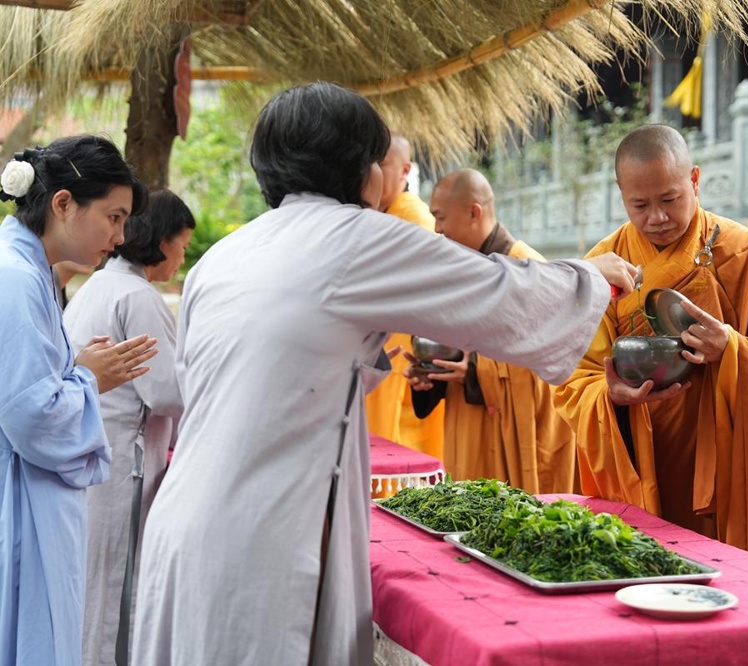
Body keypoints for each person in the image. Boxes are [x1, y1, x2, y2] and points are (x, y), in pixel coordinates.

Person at [131, 82, 637, 666]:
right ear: (359, 169)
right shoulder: (354, 238)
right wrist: (590, 277)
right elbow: (495, 289)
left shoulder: (226, 254)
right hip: (260, 536)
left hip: (182, 522)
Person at [553, 124, 748, 575]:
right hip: (645, 460)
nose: (657, 217)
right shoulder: (605, 264)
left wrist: (733, 349)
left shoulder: (742, 253)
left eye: (670, 199)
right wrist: (609, 395)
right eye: (640, 205)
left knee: (737, 579)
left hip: (733, 463)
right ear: (621, 194)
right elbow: (572, 378)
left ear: (695, 180)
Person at [0, 135, 157, 666]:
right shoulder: (15, 277)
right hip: (19, 500)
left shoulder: (31, 271)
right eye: (113, 217)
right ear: (63, 203)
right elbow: (30, 415)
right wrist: (90, 379)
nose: (120, 236)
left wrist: (76, 370)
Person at [63, 189, 194, 666]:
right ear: (160, 240)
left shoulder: (99, 284)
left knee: (93, 583)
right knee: (115, 587)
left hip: (92, 454)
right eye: (182, 245)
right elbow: (167, 394)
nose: (182, 258)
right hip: (123, 463)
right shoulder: (138, 297)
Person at [405, 168, 578, 494]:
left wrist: (474, 370)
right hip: (468, 430)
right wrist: (432, 374)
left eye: (440, 218)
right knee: (467, 515)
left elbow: (556, 366)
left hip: (520, 437)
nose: (437, 229)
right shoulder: (457, 274)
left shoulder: (529, 269)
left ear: (474, 212)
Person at [365, 132, 445, 461]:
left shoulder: (415, 219)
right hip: (378, 352)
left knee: (401, 453)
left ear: (405, 170)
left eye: (382, 163)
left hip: (404, 357)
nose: (372, 171)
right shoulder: (378, 216)